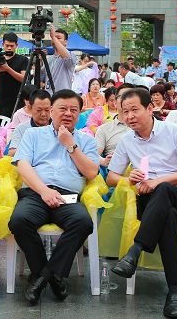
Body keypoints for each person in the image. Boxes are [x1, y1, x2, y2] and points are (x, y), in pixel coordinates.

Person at [108, 88, 177, 319]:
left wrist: (159, 180)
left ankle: (136, 250)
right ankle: (174, 293)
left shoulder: (173, 131)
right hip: (152, 203)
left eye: (134, 110)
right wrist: (128, 179)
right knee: (167, 216)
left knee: (164, 190)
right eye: (124, 111)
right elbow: (111, 178)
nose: (129, 116)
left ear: (150, 108)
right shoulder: (126, 140)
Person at [9, 89, 99, 305]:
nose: (68, 113)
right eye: (62, 108)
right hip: (36, 193)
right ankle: (54, 277)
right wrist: (43, 190)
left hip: (68, 197)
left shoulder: (86, 140)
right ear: (51, 111)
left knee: (83, 222)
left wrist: (70, 144)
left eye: (73, 110)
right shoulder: (33, 135)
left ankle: (41, 278)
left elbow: (91, 172)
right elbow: (22, 165)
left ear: (79, 114)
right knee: (19, 220)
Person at [0, 33, 29, 117]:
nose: (9, 48)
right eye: (7, 45)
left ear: (16, 45)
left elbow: (24, 79)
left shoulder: (22, 60)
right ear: (3, 45)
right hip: (1, 102)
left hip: (18, 102)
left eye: (12, 46)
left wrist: (7, 69)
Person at [8, 89, 52, 157]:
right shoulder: (21, 128)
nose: (43, 114)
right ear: (30, 108)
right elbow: (11, 153)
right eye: (39, 110)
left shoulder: (58, 127)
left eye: (47, 110)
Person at [94, 87, 131, 167]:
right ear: (115, 102)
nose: (126, 100)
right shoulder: (104, 129)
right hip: (117, 172)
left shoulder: (145, 127)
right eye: (122, 97)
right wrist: (103, 161)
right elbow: (93, 155)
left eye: (130, 96)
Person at [47, 26, 75, 92]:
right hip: (49, 96)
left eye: (58, 38)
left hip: (62, 97)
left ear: (65, 42)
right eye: (53, 38)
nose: (54, 40)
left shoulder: (71, 55)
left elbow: (67, 57)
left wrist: (53, 37)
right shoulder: (49, 58)